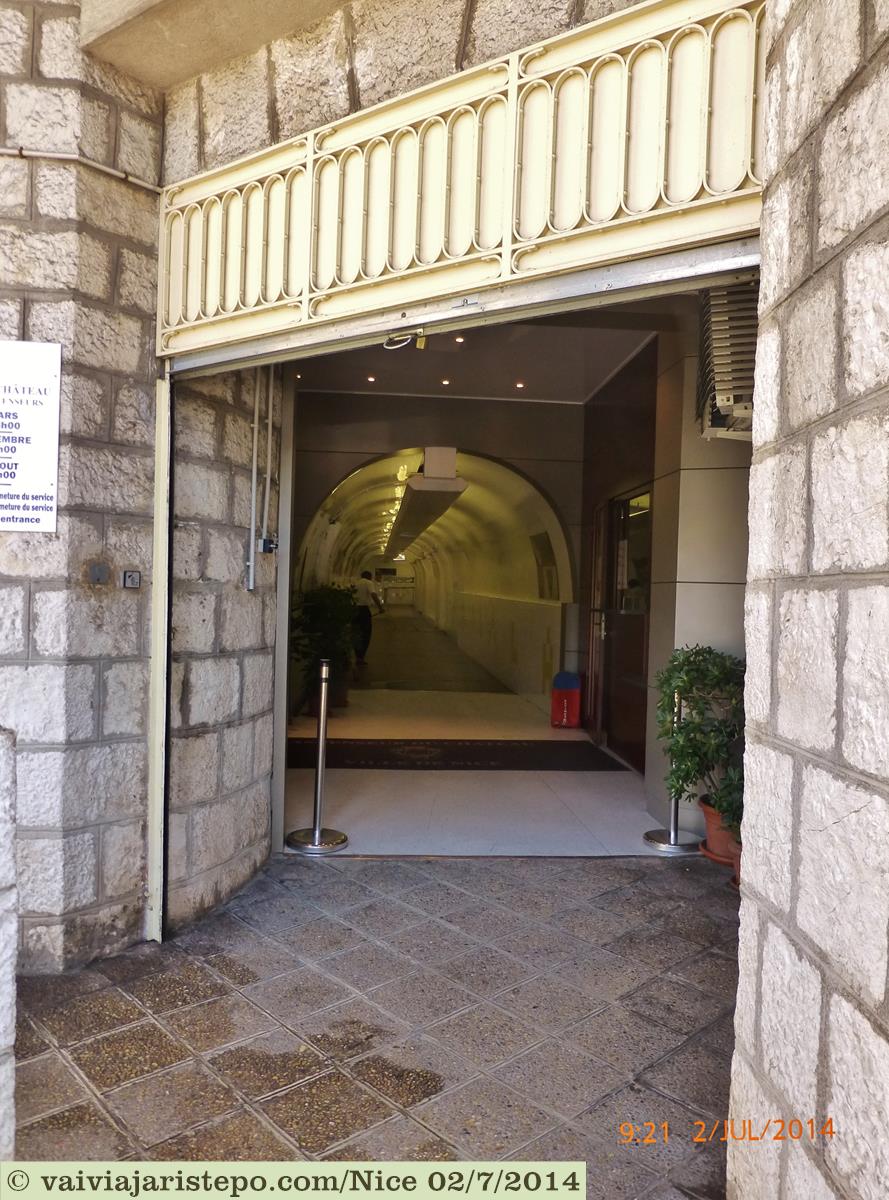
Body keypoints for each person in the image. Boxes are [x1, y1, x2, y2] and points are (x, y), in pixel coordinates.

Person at [352, 570, 383, 664]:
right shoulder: (369, 583)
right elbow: (373, 594)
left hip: (354, 610)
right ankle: (361, 657)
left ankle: (357, 655)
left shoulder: (356, 583)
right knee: (366, 634)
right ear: (369, 576)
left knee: (356, 633)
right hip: (364, 611)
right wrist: (380, 607)